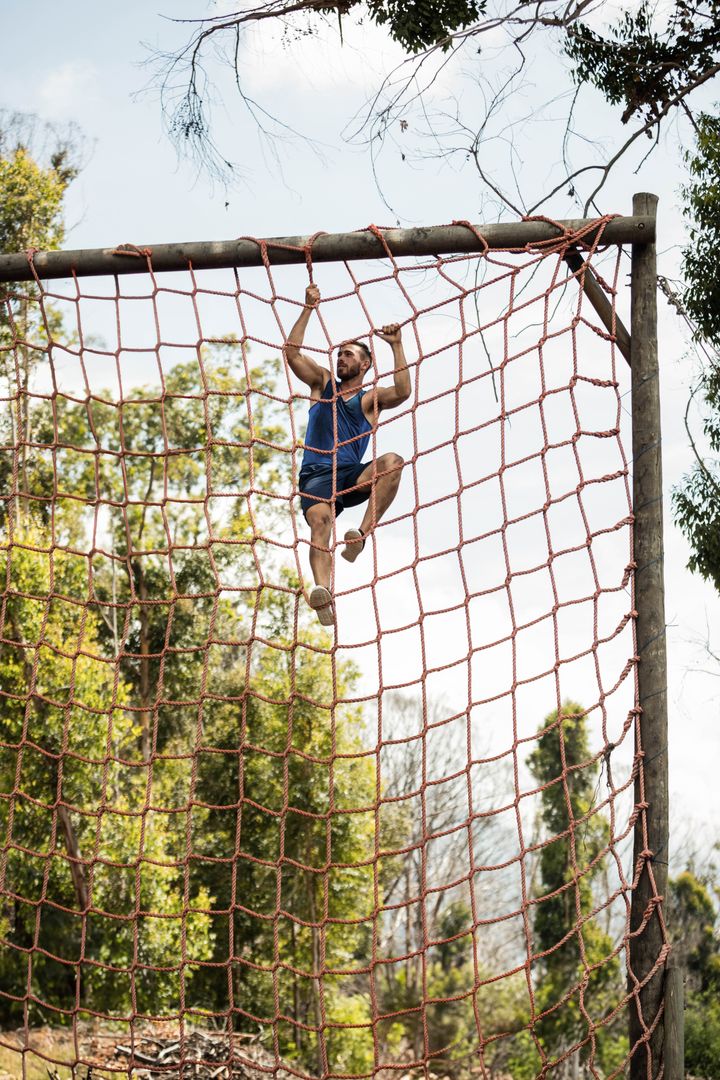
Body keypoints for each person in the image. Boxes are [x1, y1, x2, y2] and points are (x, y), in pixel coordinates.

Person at [283, 283, 411, 626]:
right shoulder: (322, 383)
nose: (341, 358)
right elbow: (292, 353)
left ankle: (360, 537)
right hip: (316, 477)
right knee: (320, 523)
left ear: (366, 364)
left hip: (351, 475)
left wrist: (397, 346)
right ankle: (322, 593)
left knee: (393, 462)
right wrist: (308, 307)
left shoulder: (369, 400)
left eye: (349, 355)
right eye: (339, 354)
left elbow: (402, 392)